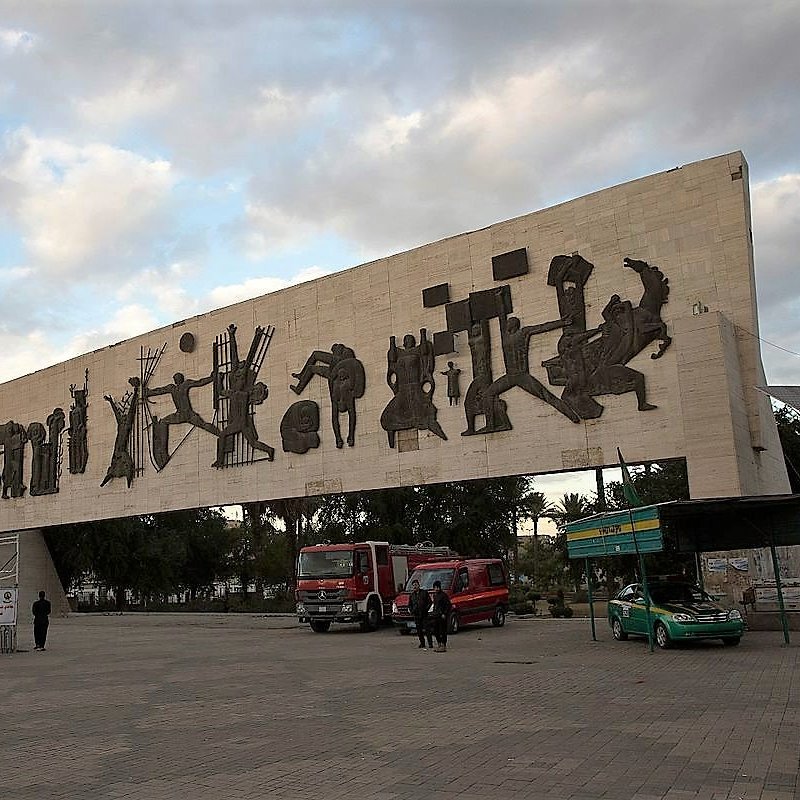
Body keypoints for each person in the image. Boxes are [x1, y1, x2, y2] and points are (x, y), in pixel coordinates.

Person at [407, 579, 432, 649]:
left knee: (427, 629)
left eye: (416, 585)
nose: (415, 587)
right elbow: (410, 605)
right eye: (413, 585)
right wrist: (412, 611)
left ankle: (430, 643)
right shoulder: (412, 595)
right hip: (416, 615)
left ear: (419, 585)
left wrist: (426, 609)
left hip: (424, 614)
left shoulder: (424, 593)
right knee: (419, 630)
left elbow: (429, 602)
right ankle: (422, 643)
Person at [430, 580, 452, 653]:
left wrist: (444, 613)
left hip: (442, 616)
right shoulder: (435, 595)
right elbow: (435, 605)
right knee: (435, 630)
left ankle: (443, 645)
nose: (436, 589)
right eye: (435, 587)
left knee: (442, 631)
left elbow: (448, 605)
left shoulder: (444, 595)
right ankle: (439, 643)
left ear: (440, 587)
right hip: (436, 615)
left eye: (437, 587)